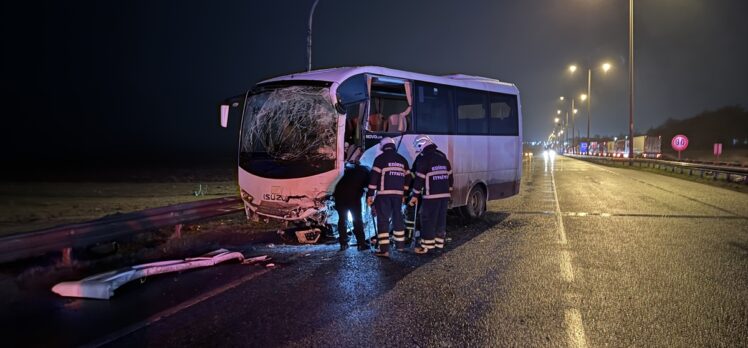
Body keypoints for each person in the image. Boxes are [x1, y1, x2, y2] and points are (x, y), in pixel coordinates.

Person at [409, 135, 453, 254]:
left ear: (421, 145)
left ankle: (427, 247)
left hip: (431, 196)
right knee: (440, 220)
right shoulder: (442, 157)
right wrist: (449, 191)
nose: (419, 151)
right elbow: (450, 176)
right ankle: (439, 245)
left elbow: (419, 179)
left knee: (428, 220)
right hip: (444, 196)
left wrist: (414, 196)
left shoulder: (424, 158)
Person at [367, 137, 410, 257]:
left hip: (383, 196)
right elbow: (408, 177)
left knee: (383, 221)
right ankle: (400, 246)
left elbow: (373, 179)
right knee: (398, 219)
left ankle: (384, 249)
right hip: (398, 196)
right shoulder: (402, 160)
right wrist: (404, 193)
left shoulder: (380, 159)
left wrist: (370, 194)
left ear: (382, 147)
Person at [333, 161, 370, 251]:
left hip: (339, 196)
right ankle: (361, 244)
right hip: (353, 198)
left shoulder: (348, 170)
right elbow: (369, 187)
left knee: (342, 219)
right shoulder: (366, 172)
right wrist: (369, 199)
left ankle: (343, 244)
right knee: (357, 219)